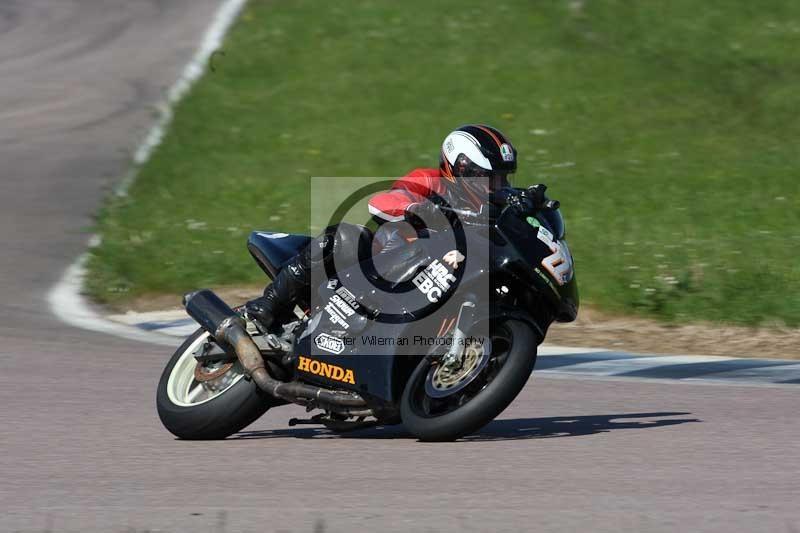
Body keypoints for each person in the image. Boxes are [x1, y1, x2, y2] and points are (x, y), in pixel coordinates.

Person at [245, 124, 518, 330]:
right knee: (343, 236)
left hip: (435, 282)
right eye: (489, 179)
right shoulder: (429, 180)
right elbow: (383, 201)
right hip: (384, 264)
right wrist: (417, 208)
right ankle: (268, 304)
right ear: (460, 169)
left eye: (502, 180)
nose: (496, 187)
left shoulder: (493, 208)